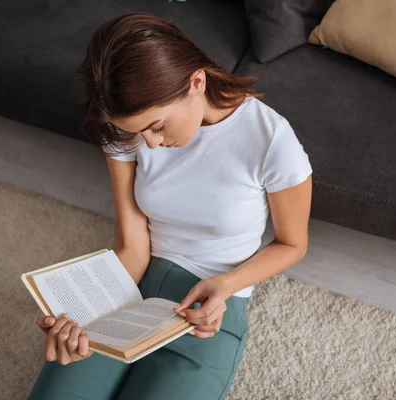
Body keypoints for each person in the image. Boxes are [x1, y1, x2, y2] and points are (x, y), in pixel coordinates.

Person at [27, 12, 312, 400]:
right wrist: (84, 314)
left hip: (209, 304)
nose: (150, 145)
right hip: (132, 288)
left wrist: (225, 286)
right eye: (137, 132)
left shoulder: (271, 141)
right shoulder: (128, 128)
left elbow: (292, 244)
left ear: (197, 81)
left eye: (158, 126)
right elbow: (132, 245)